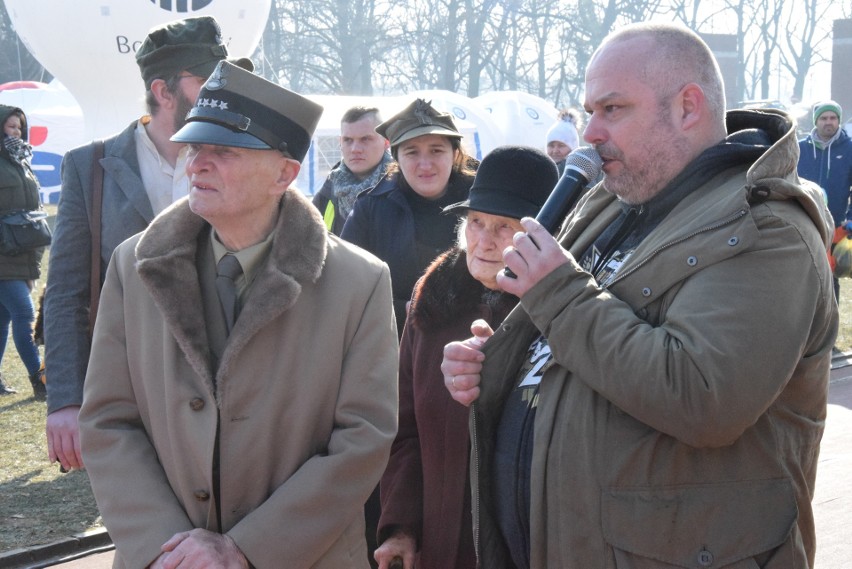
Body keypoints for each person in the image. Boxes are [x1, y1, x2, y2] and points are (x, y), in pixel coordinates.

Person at [442, 22, 837, 568]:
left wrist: (557, 294)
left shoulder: (766, 230)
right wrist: (498, 362)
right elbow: (572, 336)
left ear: (688, 106)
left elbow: (702, 396)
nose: (591, 134)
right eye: (588, 112)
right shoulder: (613, 201)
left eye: (613, 109)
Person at [78, 61, 399, 568]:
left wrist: (246, 549)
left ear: (285, 173)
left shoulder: (359, 282)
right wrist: (165, 547)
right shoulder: (133, 265)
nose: (196, 164)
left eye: (223, 151)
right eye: (194, 147)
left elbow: (364, 438)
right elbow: (108, 421)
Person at [44, 16, 253, 472]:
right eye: (210, 80)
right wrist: (65, 400)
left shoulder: (244, 158)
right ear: (163, 92)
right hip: (132, 391)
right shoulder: (90, 166)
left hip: (233, 391)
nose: (224, 92)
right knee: (144, 531)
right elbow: (65, 293)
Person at [374, 146, 558, 569]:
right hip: (440, 548)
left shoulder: (560, 314)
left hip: (528, 549)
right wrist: (401, 527)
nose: (485, 240)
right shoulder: (431, 303)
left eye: (504, 227)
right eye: (476, 222)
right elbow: (404, 431)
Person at [341, 98, 477, 335]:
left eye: (436, 150)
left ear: (455, 154)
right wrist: (407, 310)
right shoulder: (370, 209)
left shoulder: (482, 203)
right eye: (412, 152)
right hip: (395, 344)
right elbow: (345, 286)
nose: (425, 164)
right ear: (397, 157)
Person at [0, 105, 46, 398]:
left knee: (3, 318)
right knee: (25, 312)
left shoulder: (22, 161)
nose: (15, 132)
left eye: (19, 127)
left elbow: (32, 214)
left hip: (20, 252)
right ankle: (39, 380)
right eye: (10, 126)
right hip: (3, 252)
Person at [797, 101, 852, 298]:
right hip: (803, 222)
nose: (828, 122)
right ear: (816, 121)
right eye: (823, 118)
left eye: (833, 118)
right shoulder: (799, 149)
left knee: (830, 277)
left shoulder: (849, 149)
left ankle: (830, 324)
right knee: (802, 276)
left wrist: (851, 217)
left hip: (835, 225)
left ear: (838, 120)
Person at [312, 106, 393, 235]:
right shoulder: (328, 192)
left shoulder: (404, 189)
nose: (355, 149)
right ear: (340, 142)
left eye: (365, 139)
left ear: (386, 141)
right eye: (348, 140)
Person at [544, 109, 581, 176]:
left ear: (573, 148)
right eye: (551, 145)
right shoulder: (539, 171)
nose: (555, 151)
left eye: (561, 145)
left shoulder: (580, 175)